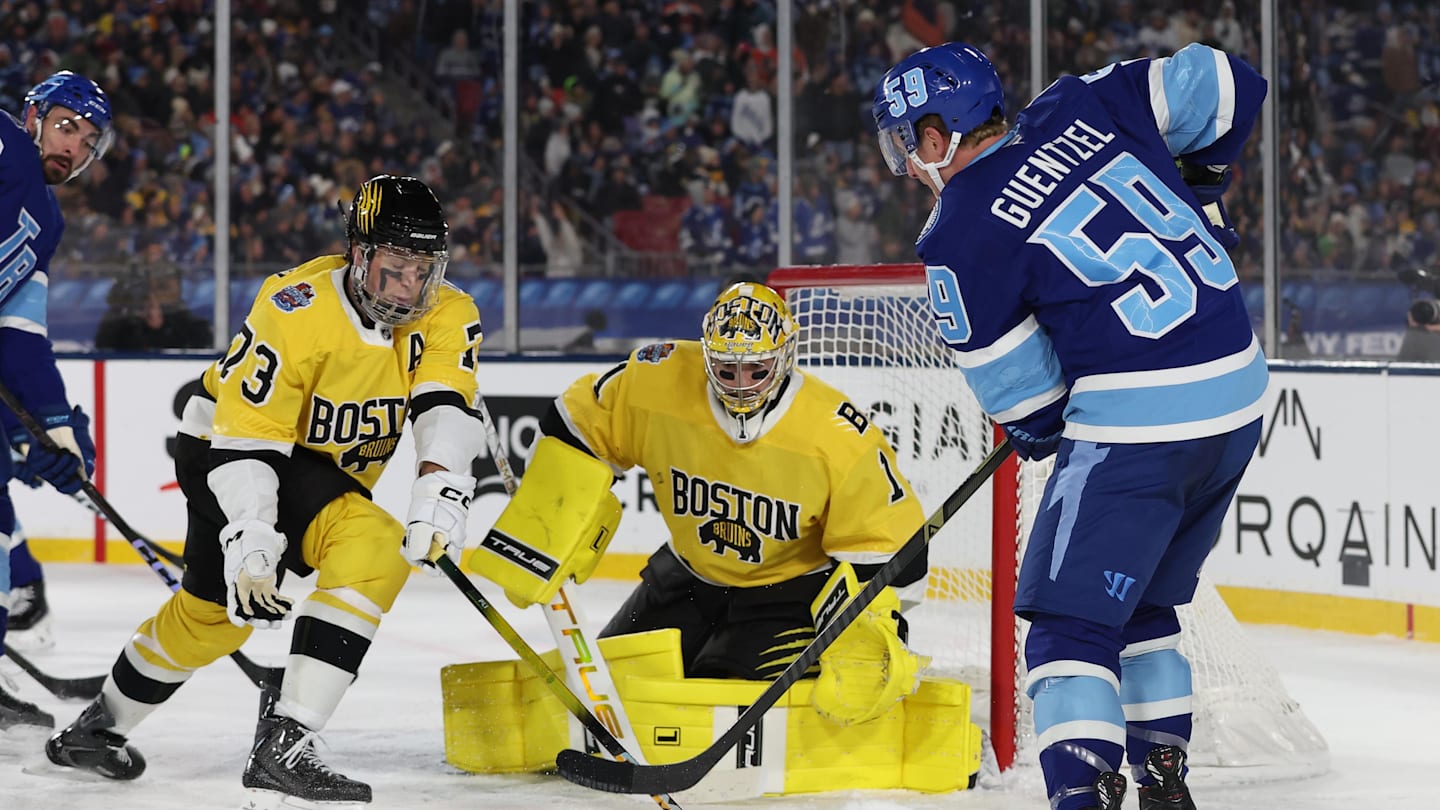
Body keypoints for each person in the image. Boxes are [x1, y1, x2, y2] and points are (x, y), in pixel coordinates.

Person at [873, 42, 1268, 810]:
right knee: (1140, 604)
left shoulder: (955, 235)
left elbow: (1034, 412)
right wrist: (1202, 185)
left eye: (904, 141)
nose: (907, 162)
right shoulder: (1083, 99)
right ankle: (1161, 784)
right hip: (1239, 391)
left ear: (933, 135)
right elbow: (1226, 82)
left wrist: (1049, 424)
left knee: (1066, 629)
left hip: (1142, 426)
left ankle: (1082, 798)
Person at [46, 175, 487, 808]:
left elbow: (444, 404)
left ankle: (98, 729)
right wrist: (252, 537)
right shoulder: (297, 307)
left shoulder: (450, 312)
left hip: (308, 467)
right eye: (394, 268)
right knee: (373, 546)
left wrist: (440, 488)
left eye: (423, 270)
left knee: (210, 621)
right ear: (359, 254)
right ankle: (286, 743)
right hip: (229, 450)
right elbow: (251, 437)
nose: (408, 288)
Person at [495, 282, 930, 727]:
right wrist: (547, 523)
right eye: (726, 370)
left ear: (785, 357)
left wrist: (870, 631)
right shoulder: (657, 380)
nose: (741, 386)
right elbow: (573, 426)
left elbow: (892, 550)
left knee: (724, 712)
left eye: (756, 370)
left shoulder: (835, 437)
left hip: (787, 596)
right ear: (706, 356)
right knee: (605, 696)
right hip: (685, 579)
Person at [0, 70, 113, 733]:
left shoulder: (46, 221)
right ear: (34, 114)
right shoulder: (7, 143)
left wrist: (55, 426)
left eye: (89, 140)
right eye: (68, 126)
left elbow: (20, 334)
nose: (75, 147)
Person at [93, 262, 214, 351]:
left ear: (179, 290)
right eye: (153, 286)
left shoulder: (192, 326)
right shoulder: (126, 323)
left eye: (163, 286)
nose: (157, 293)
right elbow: (103, 348)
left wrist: (160, 327)